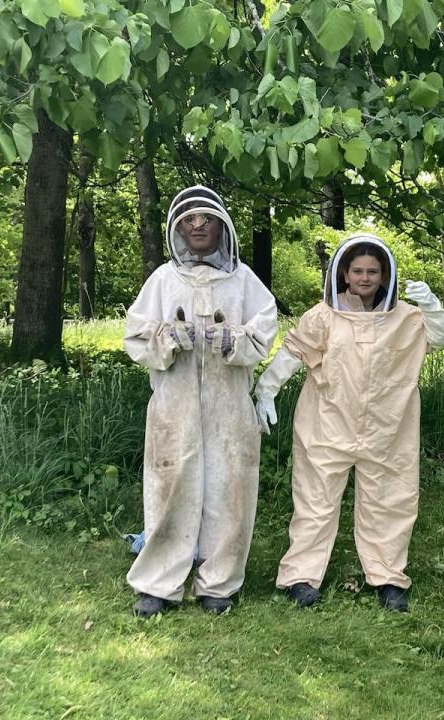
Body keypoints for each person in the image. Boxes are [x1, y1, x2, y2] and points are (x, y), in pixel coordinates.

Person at [254, 233, 444, 612]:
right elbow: (294, 351)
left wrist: (431, 304)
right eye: (357, 270)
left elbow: (440, 338)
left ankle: (389, 577)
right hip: (326, 422)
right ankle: (301, 576)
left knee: (390, 500)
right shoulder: (323, 316)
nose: (365, 277)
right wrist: (267, 390)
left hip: (388, 427)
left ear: (384, 275)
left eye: (373, 271)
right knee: (314, 500)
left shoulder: (407, 317)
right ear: (344, 274)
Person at [122, 185, 278, 617]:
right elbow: (135, 337)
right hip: (174, 406)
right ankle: (159, 583)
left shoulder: (244, 280)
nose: (197, 226)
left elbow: (265, 331)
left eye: (205, 219)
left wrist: (234, 339)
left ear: (220, 226)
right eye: (188, 220)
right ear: (176, 229)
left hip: (230, 408)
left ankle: (219, 583)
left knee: (231, 491)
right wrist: (167, 338)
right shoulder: (162, 279)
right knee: (169, 489)